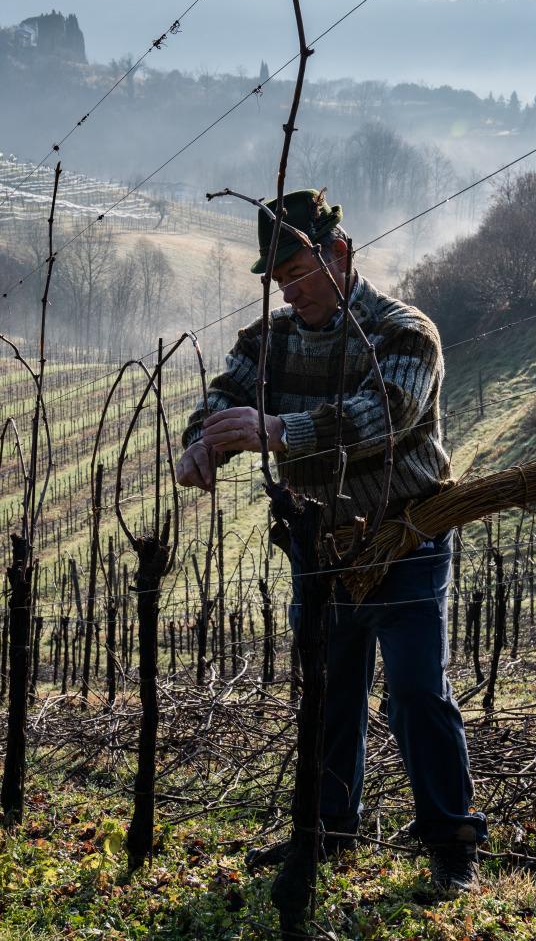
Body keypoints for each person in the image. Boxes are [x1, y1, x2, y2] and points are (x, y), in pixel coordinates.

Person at [175, 188, 485, 897]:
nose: (288, 287)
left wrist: (283, 431)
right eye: (278, 278)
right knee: (328, 689)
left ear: (339, 254)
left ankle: (450, 840)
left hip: (406, 537)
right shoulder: (270, 342)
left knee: (413, 689)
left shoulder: (405, 334)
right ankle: (325, 829)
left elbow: (388, 415)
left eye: (298, 271)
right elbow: (223, 395)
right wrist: (202, 444)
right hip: (319, 548)